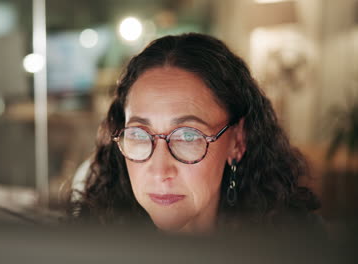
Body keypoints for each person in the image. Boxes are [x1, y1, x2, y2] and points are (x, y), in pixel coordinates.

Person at [69, 33, 320, 234]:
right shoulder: (89, 242)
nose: (159, 171)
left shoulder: (295, 246)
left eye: (188, 136)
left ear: (237, 140)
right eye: (138, 134)